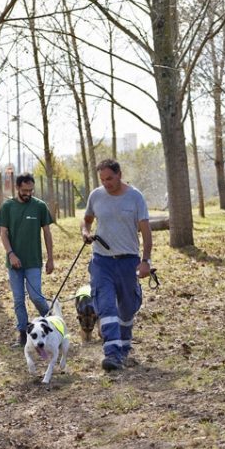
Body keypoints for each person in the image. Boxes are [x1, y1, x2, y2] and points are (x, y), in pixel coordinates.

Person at [81, 159, 152, 372]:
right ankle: (112, 353)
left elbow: (147, 234)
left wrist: (146, 261)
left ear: (119, 174)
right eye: (102, 180)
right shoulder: (96, 195)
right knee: (106, 305)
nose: (106, 183)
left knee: (128, 306)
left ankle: (124, 343)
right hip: (101, 260)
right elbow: (86, 220)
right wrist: (85, 232)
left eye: (110, 178)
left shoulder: (135, 197)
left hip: (128, 260)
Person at [0, 173, 55, 347]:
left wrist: (50, 259)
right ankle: (22, 333)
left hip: (34, 261)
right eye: (24, 190)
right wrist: (11, 254)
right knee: (19, 299)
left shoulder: (40, 207)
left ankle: (51, 322)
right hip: (14, 263)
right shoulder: (7, 207)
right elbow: (3, 234)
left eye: (31, 190)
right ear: (17, 188)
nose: (28, 193)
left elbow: (47, 233)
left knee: (36, 296)